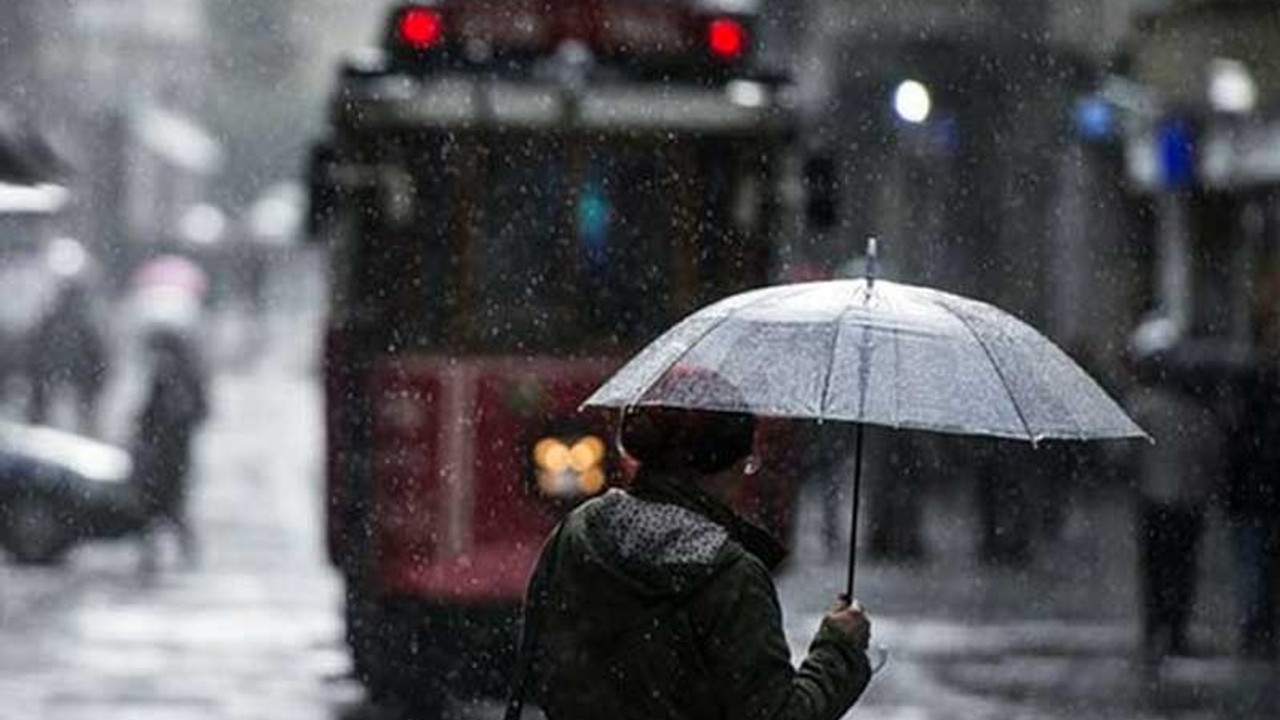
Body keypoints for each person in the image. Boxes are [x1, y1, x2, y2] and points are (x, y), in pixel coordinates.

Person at [510, 400, 874, 720]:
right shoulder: (731, 576)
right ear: (729, 465)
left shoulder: (577, 533)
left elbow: (540, 665)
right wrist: (838, 648)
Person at [132, 328, 209, 569]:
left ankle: (187, 553)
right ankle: (153, 554)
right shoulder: (161, 379)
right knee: (154, 506)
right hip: (157, 455)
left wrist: (177, 418)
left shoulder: (184, 378)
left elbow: (200, 412)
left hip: (175, 455)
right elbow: (148, 414)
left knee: (172, 506)